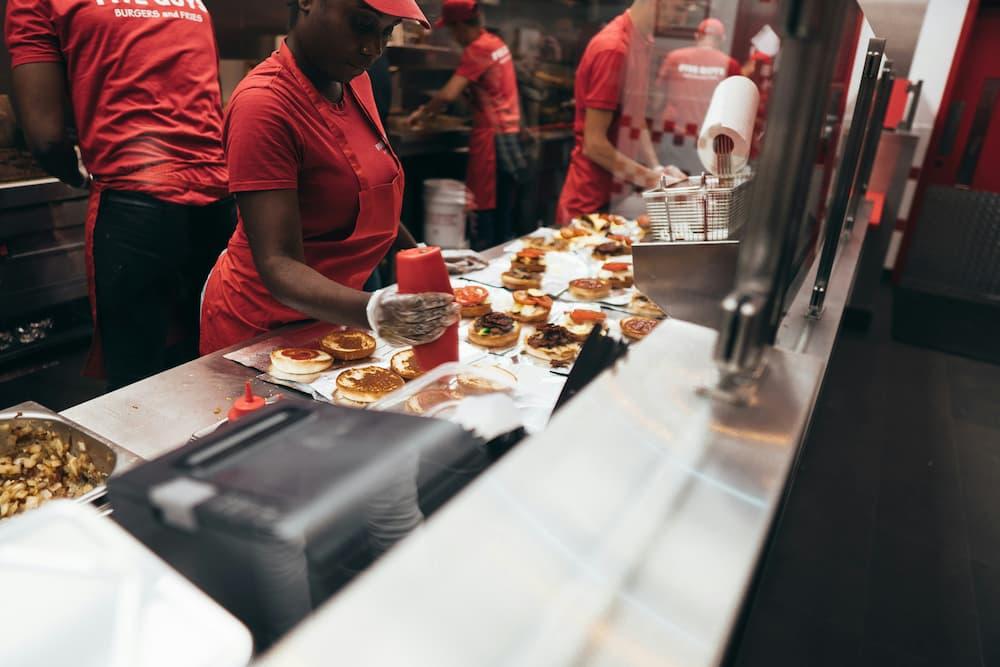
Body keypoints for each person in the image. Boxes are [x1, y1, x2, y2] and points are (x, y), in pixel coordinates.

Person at [200, 0, 458, 355]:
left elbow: (369, 194)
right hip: (262, 331)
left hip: (334, 320)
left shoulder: (356, 81)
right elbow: (278, 264)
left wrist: (418, 256)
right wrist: (372, 310)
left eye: (386, 31)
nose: (373, 49)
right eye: (361, 24)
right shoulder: (264, 105)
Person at [5, 0, 236, 391]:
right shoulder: (191, 2)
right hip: (220, 199)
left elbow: (44, 138)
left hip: (137, 205)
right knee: (216, 369)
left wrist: (78, 174)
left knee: (137, 383)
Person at [407, 0, 525, 249]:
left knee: (486, 211)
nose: (452, 37)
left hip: (492, 139)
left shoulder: (477, 49)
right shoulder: (495, 43)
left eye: (451, 30)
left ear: (460, 25)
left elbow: (447, 94)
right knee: (503, 209)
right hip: (509, 133)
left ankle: (486, 266)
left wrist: (421, 115)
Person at [556, 0, 683, 226]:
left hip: (618, 196)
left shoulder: (643, 42)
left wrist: (656, 167)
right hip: (590, 206)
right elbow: (594, 145)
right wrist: (655, 180)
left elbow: (635, 115)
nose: (680, 19)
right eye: (678, 8)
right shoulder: (613, 49)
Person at [653, 18, 742, 174]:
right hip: (707, 140)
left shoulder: (674, 58)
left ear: (696, 36)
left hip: (674, 135)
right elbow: (735, 108)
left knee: (668, 187)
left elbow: (657, 99)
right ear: (721, 39)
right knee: (698, 190)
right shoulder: (730, 65)